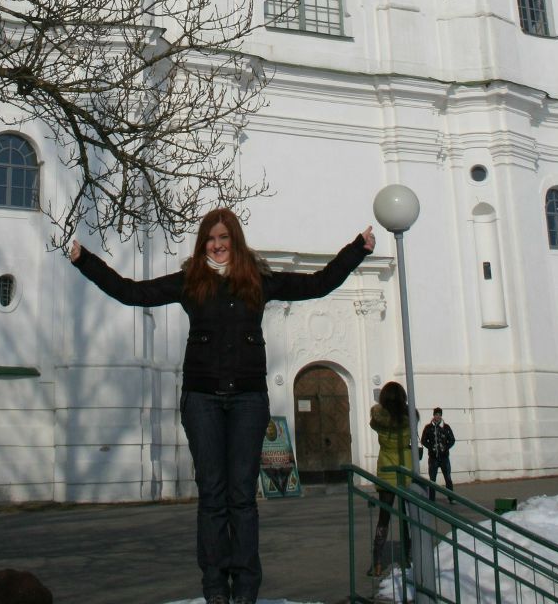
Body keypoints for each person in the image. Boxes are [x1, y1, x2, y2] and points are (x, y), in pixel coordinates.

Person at [68, 208, 375, 604]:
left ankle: (245, 591)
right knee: (213, 496)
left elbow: (318, 284)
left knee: (242, 498)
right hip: (202, 399)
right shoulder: (190, 282)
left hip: (248, 398)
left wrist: (357, 250)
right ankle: (215, 590)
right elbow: (133, 292)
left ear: (235, 242)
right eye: (211, 239)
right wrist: (85, 261)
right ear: (203, 244)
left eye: (224, 238)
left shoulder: (257, 282)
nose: (218, 245)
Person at [369, 380, 415, 577]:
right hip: (404, 470)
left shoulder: (379, 420)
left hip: (387, 471)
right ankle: (408, 558)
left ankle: (378, 562)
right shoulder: (409, 419)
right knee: (406, 518)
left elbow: (373, 423)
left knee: (383, 519)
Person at [421, 406, 455, 501]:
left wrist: (446, 448)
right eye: (436, 415)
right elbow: (423, 440)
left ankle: (451, 498)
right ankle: (432, 499)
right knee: (432, 480)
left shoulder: (446, 427)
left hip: (444, 457)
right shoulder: (428, 427)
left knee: (448, 478)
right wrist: (431, 447)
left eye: (439, 415)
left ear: (441, 416)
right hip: (433, 458)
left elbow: (452, 439)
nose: (438, 417)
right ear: (433, 415)